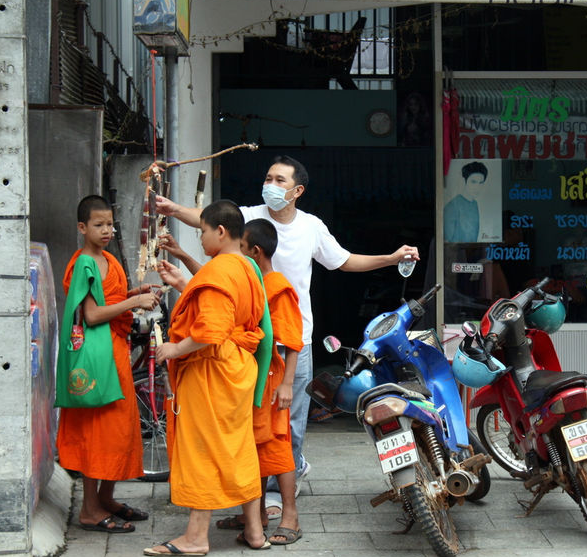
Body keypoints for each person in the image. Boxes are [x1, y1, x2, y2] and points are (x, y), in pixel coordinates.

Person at [154, 155, 419, 517]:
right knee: (256, 420)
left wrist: (390, 258)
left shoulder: (311, 228)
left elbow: (344, 261)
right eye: (268, 177)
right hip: (252, 340)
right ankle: (259, 493)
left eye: (279, 180)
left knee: (289, 421)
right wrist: (171, 209)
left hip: (294, 339)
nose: (271, 185)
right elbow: (214, 223)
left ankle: (281, 492)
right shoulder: (250, 218)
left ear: (297, 191)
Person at [157, 222, 304, 544]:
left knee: (271, 447)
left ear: (252, 251)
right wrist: (183, 274)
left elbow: (290, 340)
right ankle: (255, 521)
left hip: (259, 376)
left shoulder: (273, 283)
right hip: (246, 372)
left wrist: (287, 384)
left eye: (204, 232)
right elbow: (218, 301)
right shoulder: (248, 274)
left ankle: (287, 515)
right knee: (245, 448)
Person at [144, 200, 269, 556]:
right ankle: (255, 531)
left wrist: (174, 349)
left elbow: (210, 332)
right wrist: (186, 284)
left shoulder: (218, 272)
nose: (199, 239)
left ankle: (197, 537)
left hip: (213, 368)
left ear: (220, 231)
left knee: (205, 448)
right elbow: (225, 316)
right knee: (237, 446)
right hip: (238, 367)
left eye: (201, 231)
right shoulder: (245, 268)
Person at [57, 195, 159, 534]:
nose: (106, 231)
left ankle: (106, 499)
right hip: (98, 359)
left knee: (120, 430)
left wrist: (136, 291)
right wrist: (134, 300)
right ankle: (89, 510)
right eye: (98, 225)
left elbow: (109, 298)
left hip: (115, 354)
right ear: (82, 227)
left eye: (109, 225)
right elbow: (92, 314)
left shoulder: (107, 258)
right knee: (98, 433)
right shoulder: (84, 263)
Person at [444, 161, 487, 243]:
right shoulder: (452, 206)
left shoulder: (474, 204)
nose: (477, 187)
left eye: (480, 183)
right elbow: (446, 241)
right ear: (464, 181)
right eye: (473, 182)